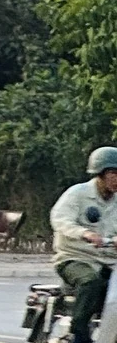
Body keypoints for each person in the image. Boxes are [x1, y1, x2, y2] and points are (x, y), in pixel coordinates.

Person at [53, 147, 117, 343]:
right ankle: (78, 332)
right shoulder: (78, 194)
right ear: (100, 173)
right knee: (91, 282)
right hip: (75, 258)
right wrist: (85, 233)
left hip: (109, 261)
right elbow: (60, 219)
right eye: (114, 173)